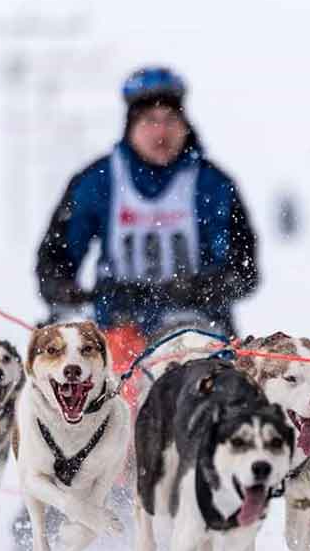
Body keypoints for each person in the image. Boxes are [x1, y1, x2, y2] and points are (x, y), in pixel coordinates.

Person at [35, 65, 259, 365]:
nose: (161, 132)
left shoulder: (212, 186)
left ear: (184, 125)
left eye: (170, 120)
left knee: (201, 390)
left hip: (196, 326)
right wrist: (65, 289)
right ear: (131, 126)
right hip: (117, 323)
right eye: (150, 121)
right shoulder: (98, 182)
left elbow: (242, 266)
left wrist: (201, 287)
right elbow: (56, 255)